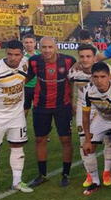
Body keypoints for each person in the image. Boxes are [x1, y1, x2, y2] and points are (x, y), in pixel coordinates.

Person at [0, 40, 33, 199]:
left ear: (22, 54)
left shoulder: (25, 63)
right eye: (9, 54)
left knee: (17, 147)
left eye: (16, 55)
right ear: (5, 53)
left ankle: (17, 181)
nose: (13, 58)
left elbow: (27, 77)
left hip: (17, 115)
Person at [26, 37, 76, 187]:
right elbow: (26, 78)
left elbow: (77, 78)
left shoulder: (69, 61)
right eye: (44, 47)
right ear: (39, 48)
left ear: (56, 47)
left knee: (66, 140)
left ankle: (66, 174)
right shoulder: (34, 61)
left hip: (63, 105)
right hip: (41, 106)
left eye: (50, 47)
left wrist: (74, 102)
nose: (47, 50)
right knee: (40, 139)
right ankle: (42, 174)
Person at [69, 44, 111, 188]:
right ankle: (91, 174)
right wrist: (73, 101)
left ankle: (107, 172)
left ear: (94, 57)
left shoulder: (106, 69)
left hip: (101, 107)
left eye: (88, 56)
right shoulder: (73, 71)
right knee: (84, 141)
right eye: (82, 56)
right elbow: (70, 86)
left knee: (108, 140)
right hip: (82, 107)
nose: (85, 59)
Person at [80, 62, 111, 195]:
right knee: (88, 149)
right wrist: (87, 139)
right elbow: (85, 117)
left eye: (103, 76)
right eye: (95, 77)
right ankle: (95, 182)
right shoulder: (88, 90)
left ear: (109, 77)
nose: (99, 80)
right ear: (92, 77)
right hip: (102, 118)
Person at [22, 34, 39, 117]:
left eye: (31, 42)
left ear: (35, 43)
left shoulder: (40, 55)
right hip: (26, 87)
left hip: (39, 87)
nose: (29, 44)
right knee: (25, 108)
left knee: (39, 108)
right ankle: (22, 127)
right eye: (26, 42)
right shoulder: (20, 57)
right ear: (23, 44)